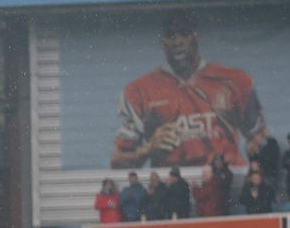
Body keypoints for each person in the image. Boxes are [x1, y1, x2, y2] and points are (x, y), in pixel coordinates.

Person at [111, 13, 267, 170]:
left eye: (184, 34)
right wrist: (147, 149)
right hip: (171, 183)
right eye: (170, 35)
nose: (178, 42)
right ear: (162, 42)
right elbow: (117, 162)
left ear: (196, 36)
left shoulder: (235, 80)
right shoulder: (138, 91)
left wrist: (256, 151)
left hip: (225, 178)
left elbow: (260, 137)